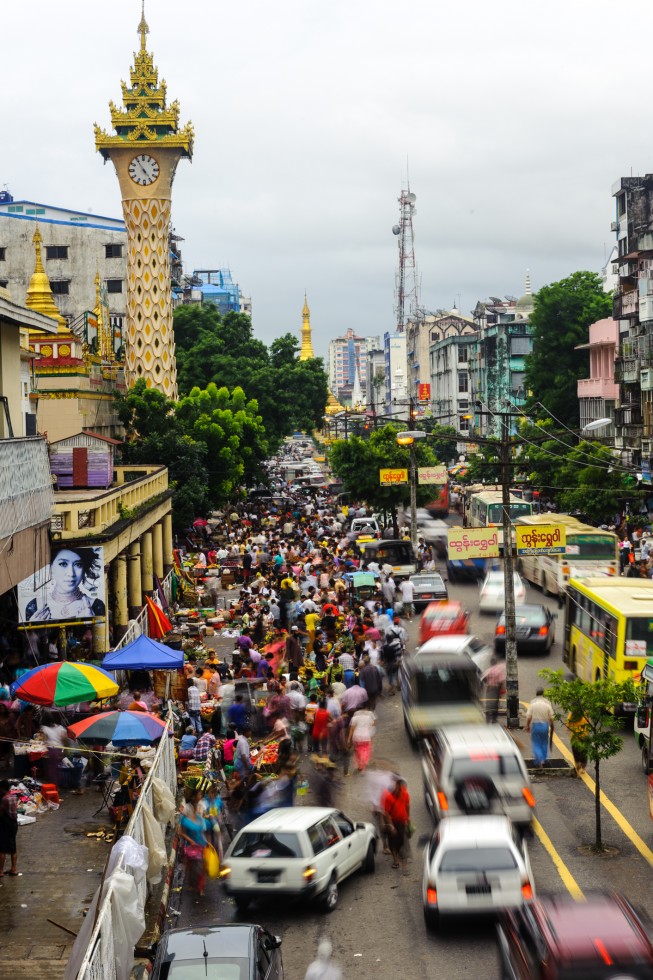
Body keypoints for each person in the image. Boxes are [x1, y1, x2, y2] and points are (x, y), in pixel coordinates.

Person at [24, 547, 106, 622]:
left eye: (78, 564)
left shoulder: (96, 605)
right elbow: (28, 638)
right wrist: (32, 633)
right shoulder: (34, 606)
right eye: (63, 564)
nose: (71, 573)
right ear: (51, 567)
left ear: (84, 569)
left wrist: (91, 624)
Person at [179, 787, 209, 897]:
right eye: (199, 794)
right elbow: (182, 831)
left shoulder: (202, 805)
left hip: (201, 841)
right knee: (191, 867)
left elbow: (204, 822)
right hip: (190, 844)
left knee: (202, 867)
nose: (201, 796)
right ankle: (192, 883)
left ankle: (201, 888)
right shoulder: (186, 808)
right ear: (193, 796)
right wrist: (191, 841)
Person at [381, 777, 411, 872]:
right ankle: (396, 861)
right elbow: (386, 813)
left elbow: (407, 805)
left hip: (402, 822)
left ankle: (404, 865)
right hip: (392, 822)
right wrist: (391, 826)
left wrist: (408, 818)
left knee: (403, 843)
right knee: (393, 843)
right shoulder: (388, 796)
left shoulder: (405, 794)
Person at [525, 687, 555, 768]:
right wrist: (552, 726)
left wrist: (527, 725)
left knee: (536, 743)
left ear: (536, 694)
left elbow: (529, 717)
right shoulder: (547, 704)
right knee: (544, 743)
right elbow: (551, 717)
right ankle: (543, 760)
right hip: (545, 726)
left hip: (535, 725)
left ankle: (538, 760)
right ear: (543, 694)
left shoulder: (533, 704)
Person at [348, 706, 376, 772]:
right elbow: (373, 724)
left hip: (356, 737)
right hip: (366, 736)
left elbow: (351, 729)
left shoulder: (354, 718)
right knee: (366, 750)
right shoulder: (368, 717)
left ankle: (359, 764)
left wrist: (348, 739)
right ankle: (362, 763)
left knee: (357, 751)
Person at [0, 780, 18, 876]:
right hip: (14, 824)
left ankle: (0, 871)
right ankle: (14, 869)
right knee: (13, 847)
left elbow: (1, 813)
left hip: (6, 825)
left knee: (2, 848)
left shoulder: (4, 799)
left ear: (2, 788)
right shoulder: (14, 797)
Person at [567, 707, 589, 776]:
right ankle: (583, 768)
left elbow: (567, 725)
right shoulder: (585, 713)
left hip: (575, 737)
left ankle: (578, 768)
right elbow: (588, 724)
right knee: (584, 753)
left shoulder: (571, 714)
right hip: (584, 736)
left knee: (576, 753)